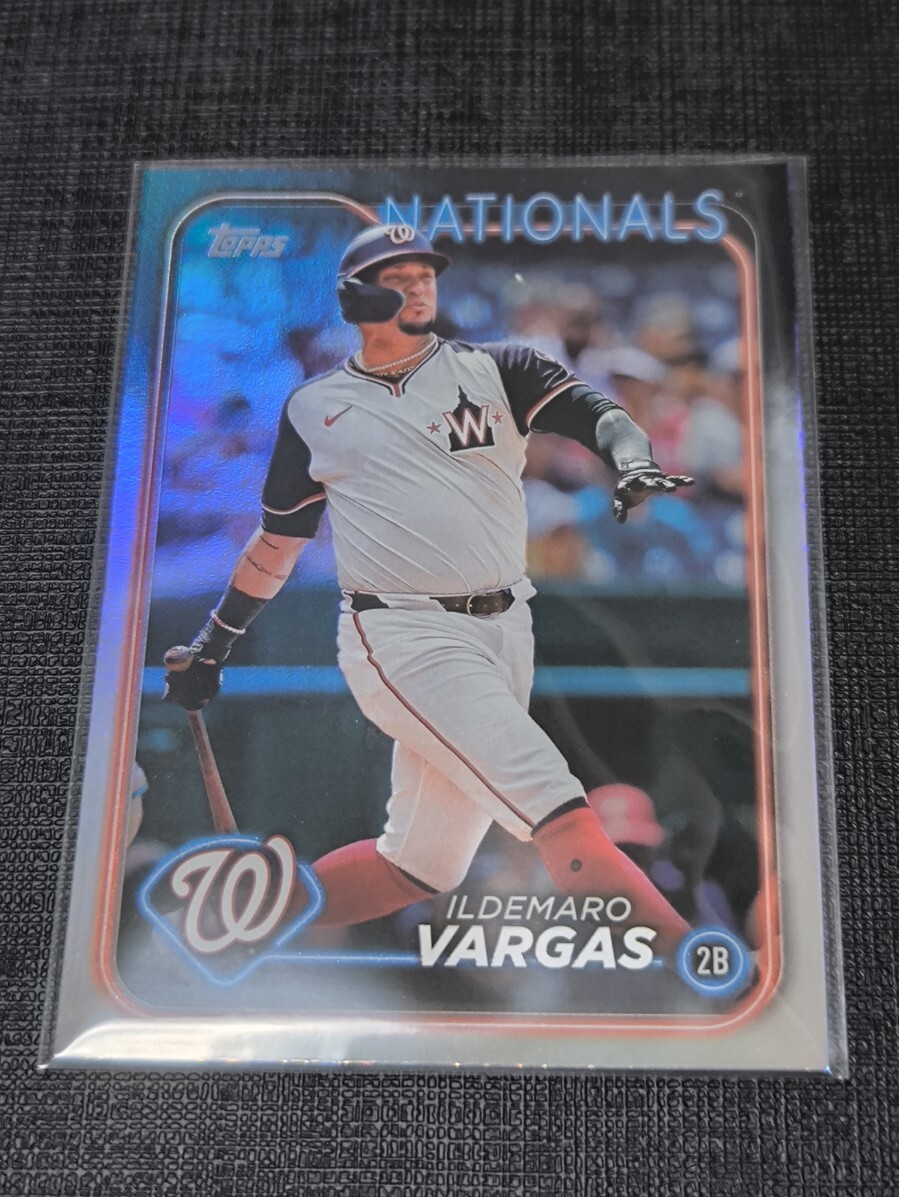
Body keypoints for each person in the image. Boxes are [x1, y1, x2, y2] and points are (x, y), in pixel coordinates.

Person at [163, 224, 695, 959]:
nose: (418, 286)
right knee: (560, 812)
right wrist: (213, 644)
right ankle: (707, 972)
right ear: (355, 297)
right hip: (404, 632)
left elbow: (600, 414)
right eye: (397, 276)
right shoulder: (315, 407)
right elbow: (277, 543)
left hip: (505, 626)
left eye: (425, 274)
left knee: (418, 866)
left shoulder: (499, 366)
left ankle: (231, 928)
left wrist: (630, 458)